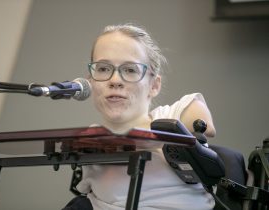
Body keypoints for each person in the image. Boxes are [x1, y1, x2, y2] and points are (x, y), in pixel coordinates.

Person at [63, 23, 216, 210]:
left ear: (154, 85)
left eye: (130, 70)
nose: (115, 81)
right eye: (103, 69)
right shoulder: (90, 139)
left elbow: (203, 127)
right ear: (90, 82)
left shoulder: (174, 113)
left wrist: (139, 141)